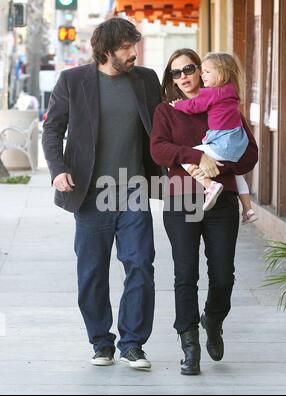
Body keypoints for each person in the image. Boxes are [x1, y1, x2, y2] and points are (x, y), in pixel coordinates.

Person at [42, 17, 162, 370]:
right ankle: (100, 341)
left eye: (134, 45)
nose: (133, 53)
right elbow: (52, 131)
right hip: (91, 192)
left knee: (140, 263)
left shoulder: (146, 80)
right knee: (92, 271)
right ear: (107, 50)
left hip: (134, 189)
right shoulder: (73, 80)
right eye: (126, 47)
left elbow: (163, 127)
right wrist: (58, 169)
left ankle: (133, 344)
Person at [150, 49, 258, 375]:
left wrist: (220, 163)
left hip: (221, 202)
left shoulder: (225, 105)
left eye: (189, 69)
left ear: (203, 70)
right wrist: (196, 157)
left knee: (223, 275)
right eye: (175, 72)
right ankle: (189, 345)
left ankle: (212, 318)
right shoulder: (167, 111)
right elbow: (158, 150)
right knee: (185, 275)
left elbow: (249, 154)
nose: (183, 76)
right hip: (182, 200)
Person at [171, 52, 257, 223]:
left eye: (207, 71)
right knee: (237, 174)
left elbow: (194, 106)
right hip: (238, 142)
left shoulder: (210, 93)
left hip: (222, 142)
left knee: (188, 155)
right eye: (203, 71)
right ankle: (248, 210)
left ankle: (209, 184)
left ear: (222, 73)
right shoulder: (231, 91)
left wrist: (178, 104)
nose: (203, 74)